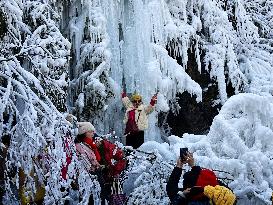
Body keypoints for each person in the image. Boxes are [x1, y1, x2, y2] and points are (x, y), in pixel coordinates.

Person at [166, 151, 236, 205]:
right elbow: (205, 179)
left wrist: (179, 166)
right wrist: (193, 166)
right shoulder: (221, 194)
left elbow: (171, 190)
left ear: (192, 189)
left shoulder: (190, 202)